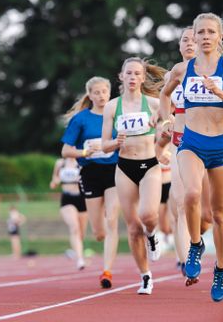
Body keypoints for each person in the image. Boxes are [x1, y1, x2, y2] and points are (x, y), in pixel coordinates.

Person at [155, 13, 223, 302]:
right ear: (193, 37)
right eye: (201, 32)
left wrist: (219, 91)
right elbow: (164, 95)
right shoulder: (182, 69)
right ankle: (196, 245)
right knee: (191, 195)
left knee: (222, 215)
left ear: (220, 36)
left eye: (212, 32)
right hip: (191, 143)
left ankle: (221, 270)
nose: (206, 36)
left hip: (221, 147)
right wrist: (165, 121)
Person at [102, 57, 166, 295]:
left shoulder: (153, 103)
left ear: (142, 77)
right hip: (125, 167)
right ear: (121, 76)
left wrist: (162, 125)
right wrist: (114, 143)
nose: (132, 77)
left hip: (149, 164)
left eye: (137, 74)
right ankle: (146, 276)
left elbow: (172, 120)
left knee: (148, 215)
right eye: (128, 73)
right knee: (132, 228)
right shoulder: (112, 107)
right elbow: (104, 145)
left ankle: (152, 234)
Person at [155, 27, 212, 281]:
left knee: (209, 214)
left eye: (193, 39)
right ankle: (186, 263)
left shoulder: (212, 71)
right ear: (179, 46)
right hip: (180, 144)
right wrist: (165, 125)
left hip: (210, 145)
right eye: (184, 40)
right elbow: (163, 104)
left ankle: (210, 247)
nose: (190, 43)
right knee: (180, 204)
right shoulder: (173, 74)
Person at [60, 76, 120, 288]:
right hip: (90, 173)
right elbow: (65, 150)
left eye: (104, 91)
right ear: (90, 95)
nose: (101, 96)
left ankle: (107, 272)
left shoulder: (117, 113)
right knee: (99, 232)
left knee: (112, 219)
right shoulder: (81, 119)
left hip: (114, 171)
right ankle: (103, 237)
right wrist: (85, 151)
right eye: (97, 92)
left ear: (109, 92)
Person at [50, 157, 88, 270]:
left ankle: (76, 251)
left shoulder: (82, 161)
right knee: (74, 227)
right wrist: (55, 182)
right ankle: (80, 259)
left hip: (82, 198)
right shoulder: (60, 163)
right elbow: (55, 178)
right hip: (67, 198)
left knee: (81, 233)